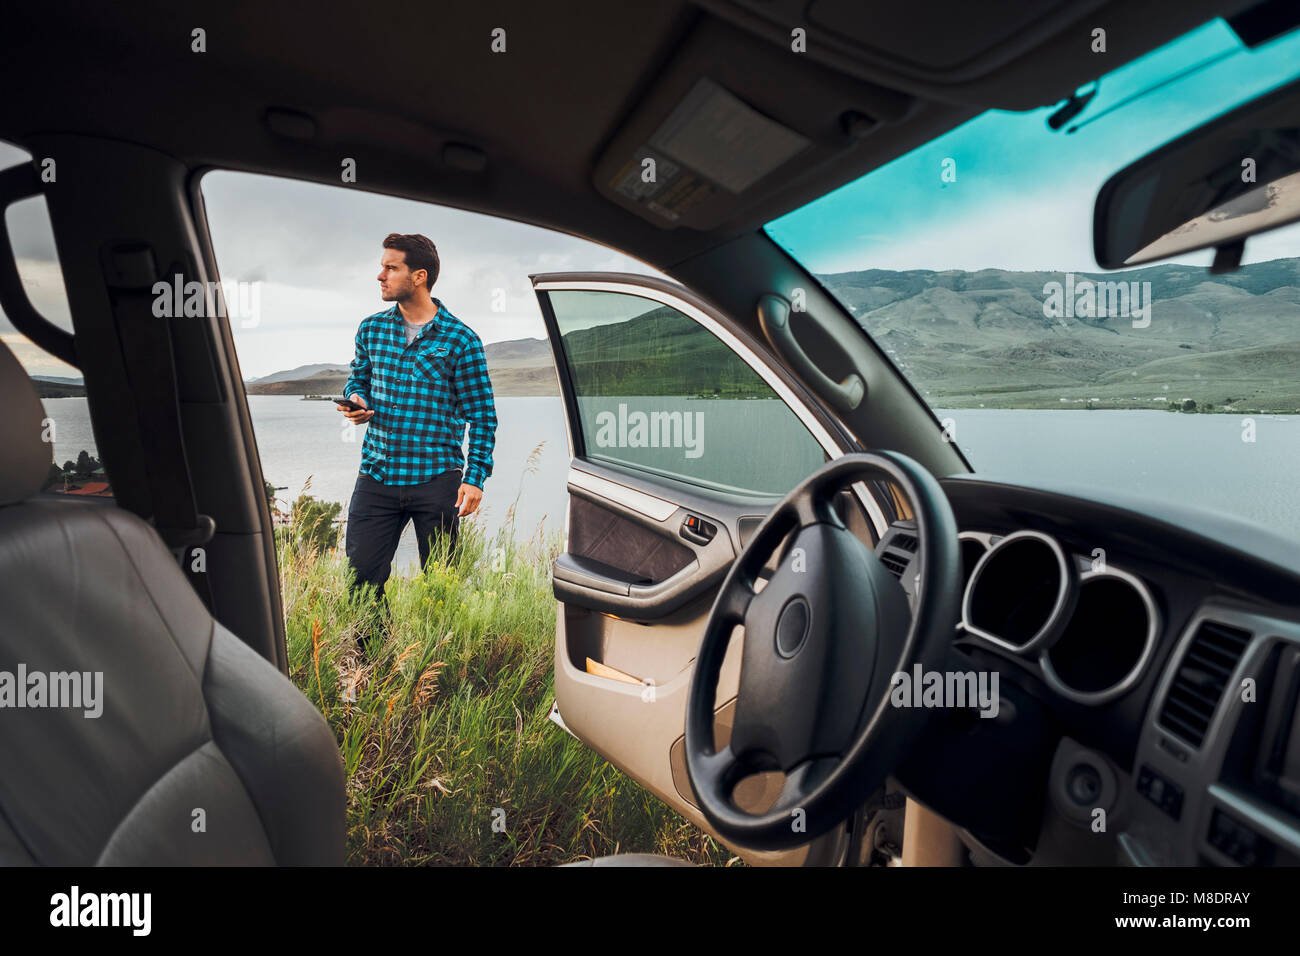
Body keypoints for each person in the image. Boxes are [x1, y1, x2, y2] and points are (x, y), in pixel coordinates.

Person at [338, 233, 497, 653]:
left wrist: (475, 478)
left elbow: (482, 416)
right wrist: (357, 400)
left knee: (441, 584)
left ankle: (434, 666)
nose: (381, 275)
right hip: (377, 475)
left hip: (437, 482)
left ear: (419, 276)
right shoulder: (371, 329)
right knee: (359, 579)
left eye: (391, 268)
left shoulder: (461, 340)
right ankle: (377, 663)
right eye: (382, 266)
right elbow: (360, 379)